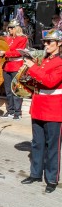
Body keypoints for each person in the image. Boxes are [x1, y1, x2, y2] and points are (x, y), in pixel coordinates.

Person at [20, 30, 62, 193]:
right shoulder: (43, 60)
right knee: (37, 144)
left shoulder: (60, 62)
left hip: (53, 109)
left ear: (59, 43)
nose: (45, 44)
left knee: (52, 146)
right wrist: (24, 79)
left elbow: (50, 81)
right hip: (38, 106)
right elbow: (37, 81)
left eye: (49, 42)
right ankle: (35, 173)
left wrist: (32, 67)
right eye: (44, 42)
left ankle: (52, 179)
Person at [0, 19, 27, 120]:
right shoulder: (7, 38)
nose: (9, 29)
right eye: (9, 27)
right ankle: (10, 110)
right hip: (7, 65)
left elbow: (19, 52)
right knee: (8, 90)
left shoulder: (22, 38)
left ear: (16, 28)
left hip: (16, 65)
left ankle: (17, 112)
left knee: (16, 89)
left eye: (11, 28)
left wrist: (5, 53)